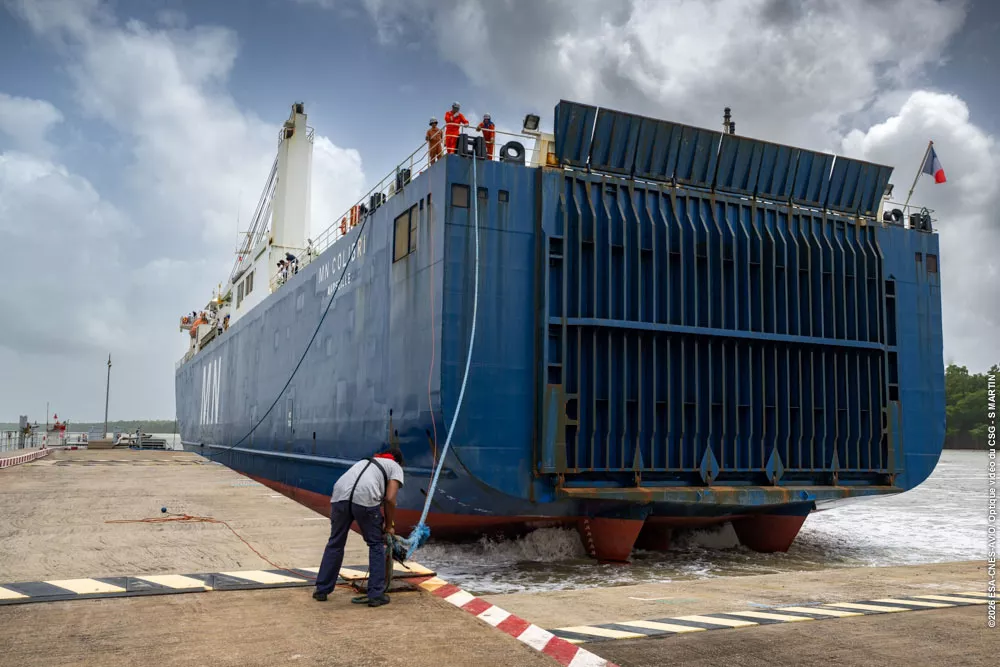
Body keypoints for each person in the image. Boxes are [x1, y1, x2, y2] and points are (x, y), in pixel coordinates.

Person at [313, 448, 405, 607]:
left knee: (335, 542)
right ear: (398, 461)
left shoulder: (365, 461)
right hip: (365, 499)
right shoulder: (395, 467)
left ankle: (322, 590)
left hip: (339, 497)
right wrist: (389, 526)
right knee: (376, 544)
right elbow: (390, 499)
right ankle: (376, 594)